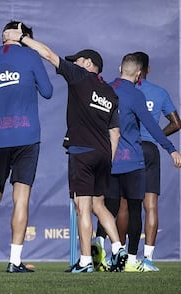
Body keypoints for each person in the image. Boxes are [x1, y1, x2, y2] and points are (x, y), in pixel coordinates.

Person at [4, 23, 127, 273]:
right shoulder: (110, 93)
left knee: (83, 207)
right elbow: (115, 132)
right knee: (98, 205)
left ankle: (84, 262)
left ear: (89, 64)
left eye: (78, 60)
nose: (75, 63)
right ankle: (118, 248)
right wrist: (109, 159)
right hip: (104, 154)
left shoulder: (80, 76)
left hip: (82, 152)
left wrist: (23, 38)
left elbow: (48, 55)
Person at [0, 21, 53, 274]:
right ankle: (15, 261)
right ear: (25, 37)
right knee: (21, 198)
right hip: (27, 136)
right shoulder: (31, 56)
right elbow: (48, 92)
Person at [94, 53, 181, 272]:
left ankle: (101, 252)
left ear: (120, 68)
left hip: (109, 157)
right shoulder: (136, 94)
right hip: (133, 158)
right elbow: (152, 126)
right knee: (136, 208)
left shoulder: (103, 88)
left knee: (109, 207)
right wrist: (170, 149)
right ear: (140, 72)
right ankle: (133, 260)